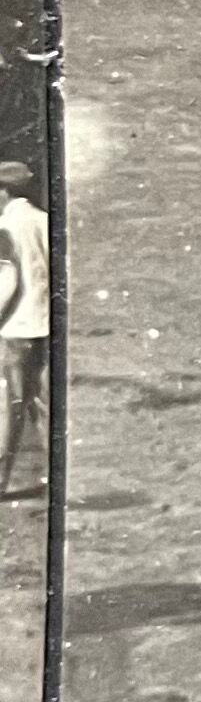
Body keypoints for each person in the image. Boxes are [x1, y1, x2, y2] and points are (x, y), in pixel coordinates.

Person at [0, 161, 44, 500]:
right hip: (45, 326)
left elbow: (8, 281)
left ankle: (2, 482)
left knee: (9, 410)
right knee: (41, 406)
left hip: (14, 326)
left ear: (4, 191)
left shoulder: (5, 227)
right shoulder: (45, 221)